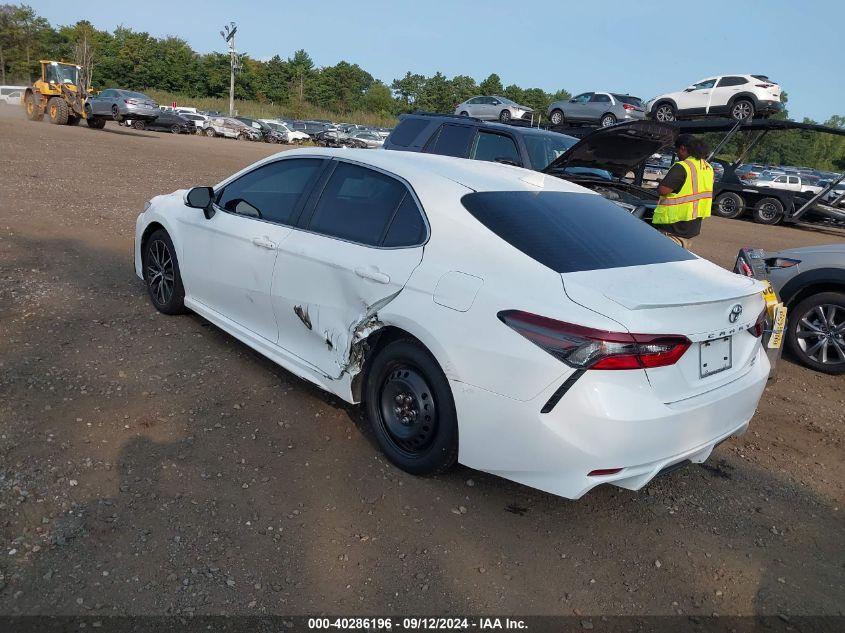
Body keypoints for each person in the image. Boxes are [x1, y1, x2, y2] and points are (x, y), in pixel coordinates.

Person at [652, 134, 714, 249]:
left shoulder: (683, 166)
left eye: (677, 150)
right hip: (690, 227)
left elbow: (663, 190)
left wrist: (662, 183)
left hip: (673, 228)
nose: (677, 154)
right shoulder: (707, 167)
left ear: (683, 148)